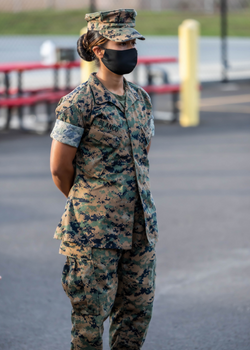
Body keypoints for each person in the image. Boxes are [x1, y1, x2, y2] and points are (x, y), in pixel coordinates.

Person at [50, 8, 158, 350]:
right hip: (93, 232)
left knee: (136, 313)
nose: (129, 48)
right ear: (99, 49)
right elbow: (59, 168)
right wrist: (91, 201)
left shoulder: (141, 100)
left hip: (139, 227)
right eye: (121, 41)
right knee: (90, 320)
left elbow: (141, 156)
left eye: (132, 41)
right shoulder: (78, 103)